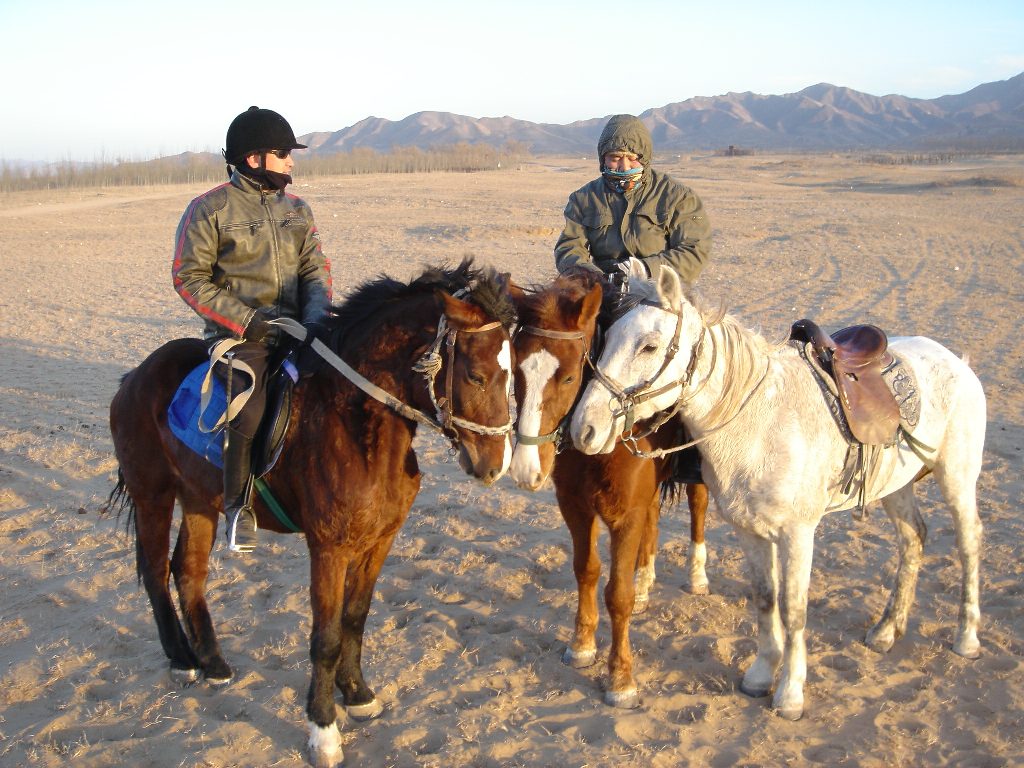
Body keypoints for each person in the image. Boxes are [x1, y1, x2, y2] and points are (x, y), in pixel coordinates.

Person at [172, 106, 333, 553]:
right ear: (254, 158)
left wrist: (316, 324)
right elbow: (189, 278)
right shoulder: (210, 209)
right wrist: (249, 322)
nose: (292, 162)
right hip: (241, 337)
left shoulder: (298, 211)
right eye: (284, 153)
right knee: (250, 402)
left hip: (301, 330)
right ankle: (238, 507)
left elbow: (315, 272)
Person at [554, 113, 711, 481]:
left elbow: (694, 249)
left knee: (689, 365)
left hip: (659, 297)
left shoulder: (677, 197)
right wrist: (595, 277)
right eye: (613, 158)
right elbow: (569, 247)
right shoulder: (584, 199)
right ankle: (558, 430)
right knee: (567, 350)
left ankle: (691, 454)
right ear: (602, 159)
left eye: (630, 158)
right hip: (605, 294)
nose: (622, 165)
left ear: (644, 159)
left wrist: (647, 271)